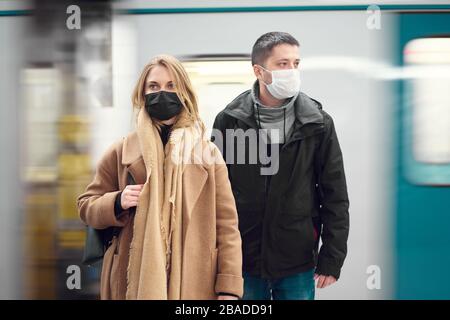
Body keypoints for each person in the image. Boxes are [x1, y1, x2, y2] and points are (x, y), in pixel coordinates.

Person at [77, 54, 243, 300]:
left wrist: (229, 289)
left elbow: (227, 227)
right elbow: (85, 206)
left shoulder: (207, 154)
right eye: (153, 86)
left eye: (171, 86)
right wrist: (117, 201)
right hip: (129, 279)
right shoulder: (121, 151)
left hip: (195, 280)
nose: (162, 93)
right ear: (142, 94)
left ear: (184, 92)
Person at [212, 32, 349, 300]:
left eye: (296, 64)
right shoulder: (229, 121)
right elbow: (214, 192)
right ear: (259, 71)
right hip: (241, 260)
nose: (292, 71)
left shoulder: (318, 124)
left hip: (296, 261)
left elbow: (335, 196)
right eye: (283, 64)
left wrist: (331, 258)